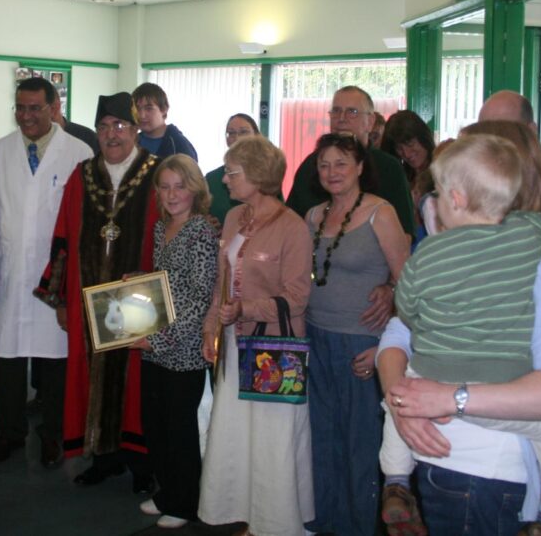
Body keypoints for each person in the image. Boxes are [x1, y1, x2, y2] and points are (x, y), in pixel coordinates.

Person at [376, 121, 541, 536]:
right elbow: (397, 333)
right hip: (451, 460)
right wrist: (403, 404)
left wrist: (433, 398)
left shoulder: (531, 263)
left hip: (481, 471)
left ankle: (394, 481)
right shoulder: (528, 246)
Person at [34, 92, 160, 491]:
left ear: (136, 128)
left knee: (136, 382)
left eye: (120, 126)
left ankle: (142, 466)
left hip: (138, 298)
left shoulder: (158, 174)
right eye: (104, 127)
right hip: (90, 298)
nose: (111, 134)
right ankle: (103, 458)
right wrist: (62, 297)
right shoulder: (82, 174)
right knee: (92, 377)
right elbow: (63, 236)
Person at [198, 135, 314, 536]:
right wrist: (211, 328)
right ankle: (249, 517)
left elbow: (298, 297)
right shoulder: (233, 219)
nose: (225, 180)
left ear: (260, 176)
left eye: (233, 173)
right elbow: (221, 285)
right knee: (238, 436)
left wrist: (247, 309)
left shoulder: (292, 227)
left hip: (273, 351)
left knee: (271, 441)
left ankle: (278, 525)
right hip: (234, 346)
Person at [0, 80, 92, 468]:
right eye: (20, 108)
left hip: (56, 273)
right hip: (11, 268)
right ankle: (11, 432)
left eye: (34, 108)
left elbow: (84, 222)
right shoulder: (0, 151)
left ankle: (53, 434)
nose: (26, 116)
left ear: (54, 107)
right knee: (7, 357)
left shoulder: (79, 152)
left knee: (55, 360)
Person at [303, 133, 410, 535]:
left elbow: (408, 283)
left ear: (361, 167)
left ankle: (359, 528)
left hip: (361, 345)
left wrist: (384, 346)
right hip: (315, 340)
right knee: (320, 441)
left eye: (342, 163)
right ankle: (323, 523)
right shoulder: (312, 216)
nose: (332, 172)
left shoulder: (380, 214)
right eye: (325, 164)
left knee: (360, 446)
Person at [134, 155, 219, 529]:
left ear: (195, 189)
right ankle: (168, 491)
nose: (172, 194)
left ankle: (184, 502)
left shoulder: (201, 231)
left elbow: (201, 296)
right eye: (164, 186)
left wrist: (162, 340)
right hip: (154, 344)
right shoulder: (160, 227)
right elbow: (165, 283)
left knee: (180, 428)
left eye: (179, 186)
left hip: (182, 350)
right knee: (156, 424)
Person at [286, 86, 415, 236]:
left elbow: (404, 235)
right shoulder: (311, 165)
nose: (341, 119)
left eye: (352, 112)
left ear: (370, 121)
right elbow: (290, 224)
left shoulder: (389, 168)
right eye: (336, 111)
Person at [478, 91, 541, 237]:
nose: (493, 142)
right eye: (483, 132)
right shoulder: (472, 187)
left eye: (504, 131)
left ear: (531, 131)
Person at [382, 110, 437, 240]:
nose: (406, 153)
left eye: (410, 144)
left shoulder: (442, 171)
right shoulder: (401, 176)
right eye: (399, 148)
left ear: (423, 136)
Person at [205, 113, 259, 224]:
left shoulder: (266, 175)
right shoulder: (212, 179)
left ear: (256, 136)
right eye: (231, 133)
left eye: (243, 132)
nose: (237, 138)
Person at [131, 82, 198, 160]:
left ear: (164, 110)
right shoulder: (132, 142)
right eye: (138, 109)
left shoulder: (179, 146)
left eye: (149, 109)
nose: (141, 115)